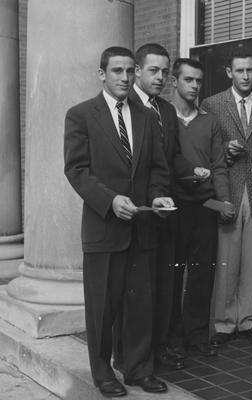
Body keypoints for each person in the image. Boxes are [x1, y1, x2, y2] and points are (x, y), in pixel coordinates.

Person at [64, 46, 170, 396]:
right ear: (102, 74)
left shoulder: (146, 116)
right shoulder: (81, 115)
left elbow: (157, 167)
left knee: (140, 304)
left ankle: (137, 369)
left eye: (129, 71)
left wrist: (156, 195)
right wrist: (110, 201)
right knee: (102, 307)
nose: (124, 78)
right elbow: (77, 171)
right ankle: (102, 373)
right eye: (116, 71)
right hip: (104, 227)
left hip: (141, 227)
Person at [201, 47, 252, 348]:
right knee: (227, 258)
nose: (246, 76)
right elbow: (207, 153)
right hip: (229, 191)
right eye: (240, 71)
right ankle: (224, 322)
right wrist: (225, 152)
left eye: (250, 70)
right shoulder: (212, 104)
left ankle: (248, 320)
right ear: (229, 72)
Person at [128, 42, 190, 371]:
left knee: (165, 282)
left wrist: (195, 171)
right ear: (137, 70)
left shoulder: (165, 110)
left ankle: (161, 345)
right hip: (138, 212)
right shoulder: (125, 108)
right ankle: (138, 352)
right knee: (140, 286)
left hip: (167, 209)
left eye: (165, 71)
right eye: (153, 70)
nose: (161, 77)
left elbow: (172, 156)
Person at [168, 58, 233, 357]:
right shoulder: (162, 117)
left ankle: (197, 337)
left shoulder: (210, 121)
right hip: (173, 207)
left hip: (205, 205)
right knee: (171, 276)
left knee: (202, 274)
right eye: (188, 80)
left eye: (198, 81)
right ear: (175, 82)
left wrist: (225, 201)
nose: (194, 86)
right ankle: (173, 338)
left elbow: (219, 166)